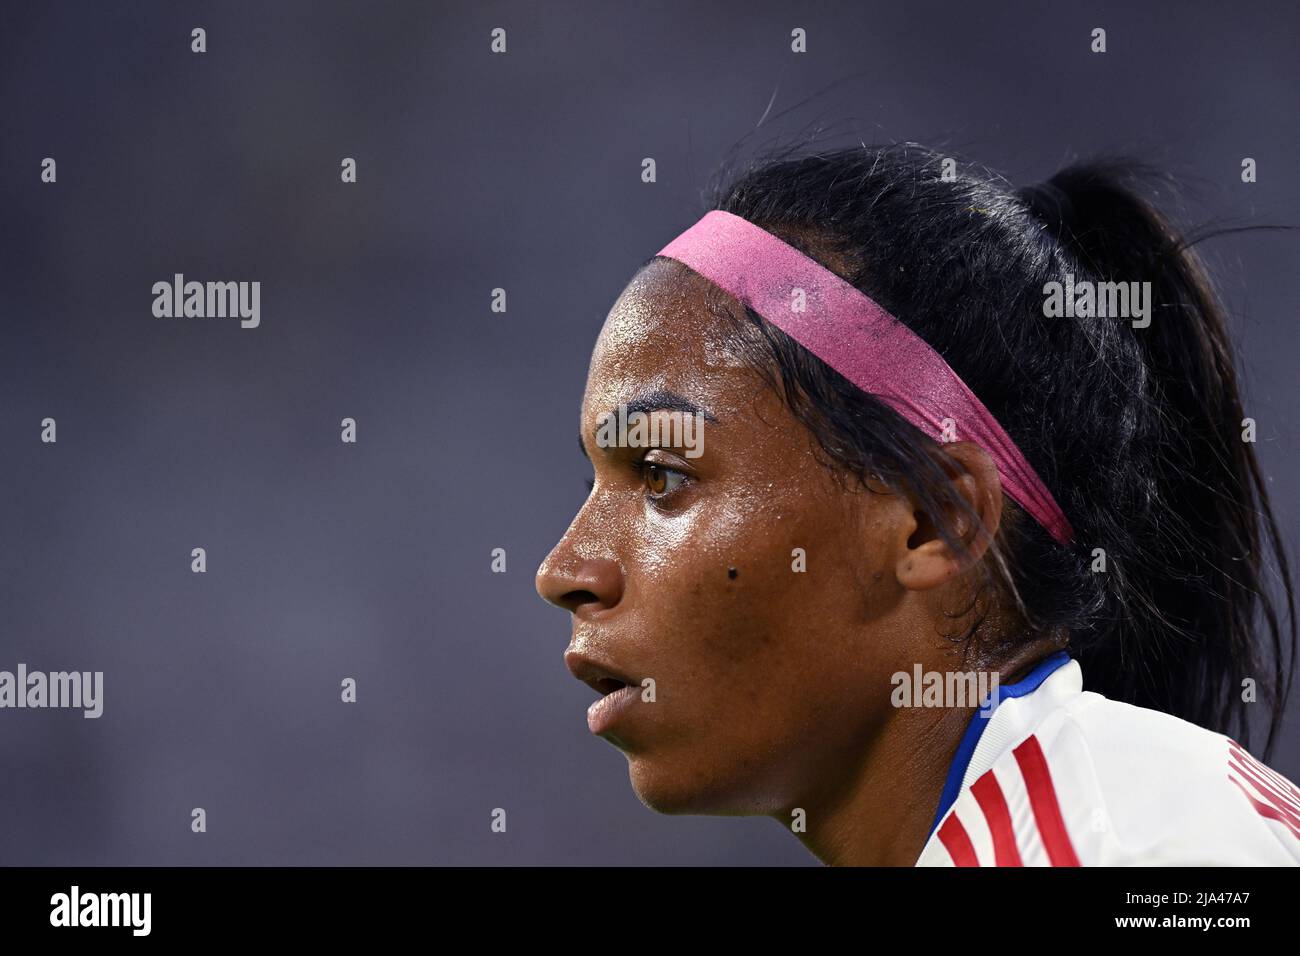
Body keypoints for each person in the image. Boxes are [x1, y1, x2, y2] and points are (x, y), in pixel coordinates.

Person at [534, 142, 1300, 865]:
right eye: (595, 482)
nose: (564, 569)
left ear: (935, 521)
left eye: (661, 475)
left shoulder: (1148, 849)